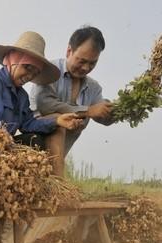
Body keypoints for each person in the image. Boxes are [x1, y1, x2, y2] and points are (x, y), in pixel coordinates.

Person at [0, 31, 85, 152]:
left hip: (4, 144)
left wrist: (57, 121)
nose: (30, 76)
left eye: (35, 73)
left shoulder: (22, 96)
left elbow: (28, 124)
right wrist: (4, 141)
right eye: (27, 68)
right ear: (12, 61)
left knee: (34, 139)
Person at [30, 26, 114, 173]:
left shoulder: (94, 88)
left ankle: (56, 179)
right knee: (58, 120)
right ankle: (59, 184)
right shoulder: (49, 70)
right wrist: (88, 111)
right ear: (69, 51)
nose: (86, 68)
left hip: (56, 158)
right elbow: (44, 104)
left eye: (92, 63)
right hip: (30, 144)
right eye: (81, 61)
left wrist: (113, 113)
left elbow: (101, 115)